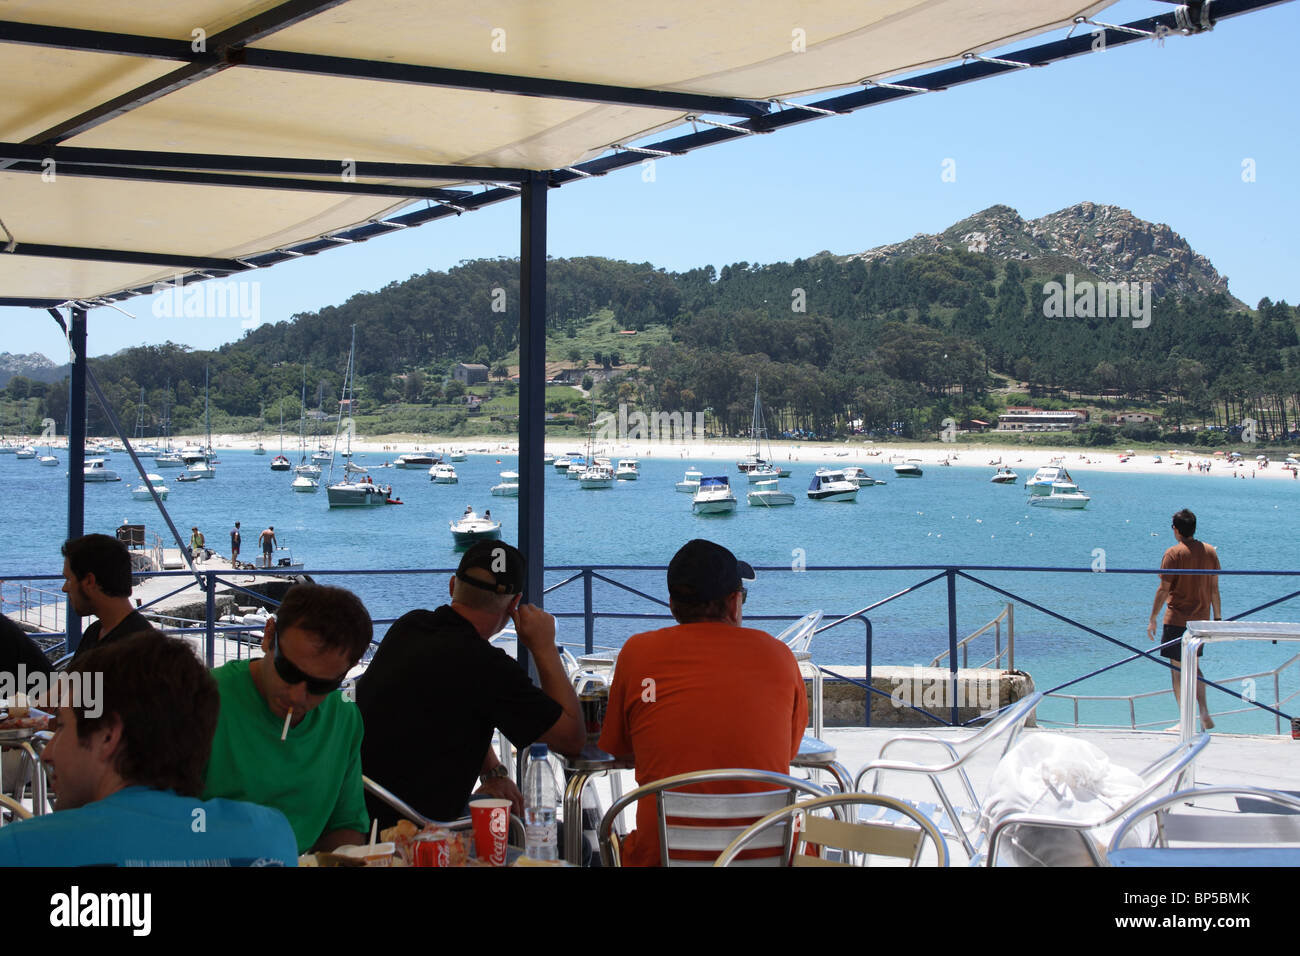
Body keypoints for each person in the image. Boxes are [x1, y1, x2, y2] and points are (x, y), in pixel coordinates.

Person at [0, 631, 297, 866]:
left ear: (108, 737)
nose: (48, 752)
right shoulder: (270, 838)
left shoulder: (20, 849)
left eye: (62, 727)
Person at [598, 538, 808, 866]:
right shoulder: (780, 656)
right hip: (769, 856)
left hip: (664, 859)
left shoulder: (637, 654)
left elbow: (621, 750)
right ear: (734, 602)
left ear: (672, 604)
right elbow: (788, 752)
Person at [356, 541, 583, 828]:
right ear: (515, 604)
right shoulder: (490, 668)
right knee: (561, 838)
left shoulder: (408, 627)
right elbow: (572, 740)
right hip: (425, 833)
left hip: (359, 815)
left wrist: (493, 772)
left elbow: (454, 705)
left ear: (453, 586)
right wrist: (544, 647)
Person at [202, 583, 372, 853]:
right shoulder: (201, 701)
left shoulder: (343, 718)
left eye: (320, 686)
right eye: (288, 671)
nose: (297, 696)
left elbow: (345, 825)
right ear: (269, 636)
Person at [1147, 509, 1220, 730]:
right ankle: (1204, 710)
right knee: (1193, 665)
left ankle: (1184, 720)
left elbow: (1163, 589)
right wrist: (1217, 617)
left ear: (1176, 530)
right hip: (1201, 620)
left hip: (1177, 619)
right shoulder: (1209, 552)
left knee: (1177, 669)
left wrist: (1152, 618)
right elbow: (1215, 588)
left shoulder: (1173, 553)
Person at [62, 534, 154, 662]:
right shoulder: (95, 632)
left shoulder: (138, 651)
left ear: (89, 581)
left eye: (68, 579)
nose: (64, 588)